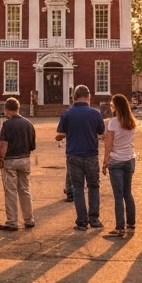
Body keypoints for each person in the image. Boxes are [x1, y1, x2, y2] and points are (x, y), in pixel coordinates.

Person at [57, 84, 105, 231]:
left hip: (73, 154)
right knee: (93, 186)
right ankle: (94, 218)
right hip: (91, 154)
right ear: (88, 97)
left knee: (77, 188)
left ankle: (82, 221)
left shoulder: (67, 113)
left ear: (74, 97)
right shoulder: (95, 113)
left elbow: (60, 133)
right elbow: (100, 131)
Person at [0, 97, 36, 231]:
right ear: (18, 109)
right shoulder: (29, 124)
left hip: (11, 160)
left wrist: (0, 157)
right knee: (25, 190)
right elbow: (32, 145)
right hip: (25, 159)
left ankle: (12, 221)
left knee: (11, 191)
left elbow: (3, 144)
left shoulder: (7, 125)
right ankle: (29, 219)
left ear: (7, 109)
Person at [102, 93, 138, 237]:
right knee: (127, 193)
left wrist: (105, 162)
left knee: (118, 195)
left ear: (116, 107)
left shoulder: (113, 122)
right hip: (129, 159)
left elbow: (108, 145)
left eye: (111, 105)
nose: (111, 107)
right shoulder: (132, 122)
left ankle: (119, 227)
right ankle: (131, 222)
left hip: (116, 160)